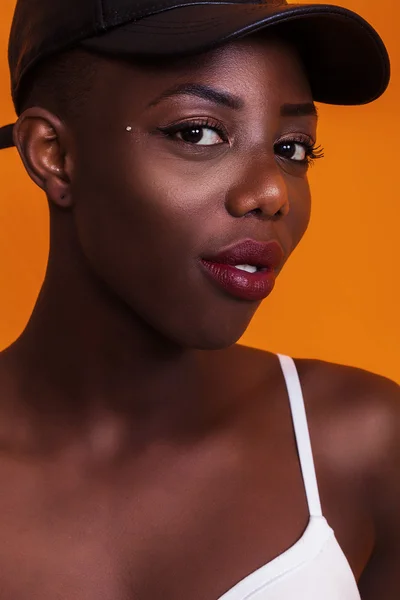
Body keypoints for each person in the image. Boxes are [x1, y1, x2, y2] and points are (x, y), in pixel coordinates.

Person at [0, 0, 398, 598]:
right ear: (53, 154)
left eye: (292, 148)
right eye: (198, 132)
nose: (271, 192)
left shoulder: (363, 443)